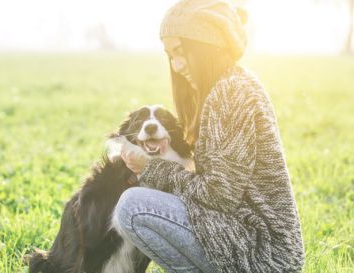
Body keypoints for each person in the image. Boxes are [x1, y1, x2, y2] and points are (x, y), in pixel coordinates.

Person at [113, 0, 305, 272]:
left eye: (180, 52)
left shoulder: (231, 93)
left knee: (132, 207)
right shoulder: (231, 85)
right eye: (170, 56)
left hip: (264, 253)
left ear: (204, 47)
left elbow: (219, 195)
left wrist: (151, 168)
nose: (176, 65)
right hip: (248, 238)